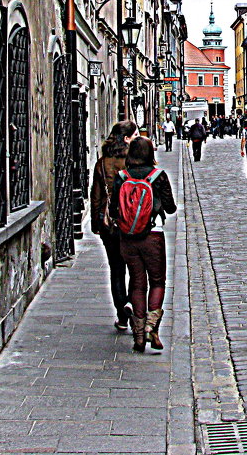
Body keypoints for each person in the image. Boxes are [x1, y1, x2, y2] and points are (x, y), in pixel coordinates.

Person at [109, 136, 176, 353]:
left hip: (127, 238)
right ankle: (150, 327)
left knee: (137, 283)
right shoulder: (158, 176)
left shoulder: (121, 177)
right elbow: (171, 207)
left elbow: (112, 210)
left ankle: (138, 335)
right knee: (157, 281)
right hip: (153, 235)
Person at [91, 121, 138, 332]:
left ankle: (122, 314)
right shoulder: (133, 161)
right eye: (135, 135)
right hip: (132, 222)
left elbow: (96, 195)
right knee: (135, 268)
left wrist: (96, 222)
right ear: (127, 138)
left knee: (116, 269)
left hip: (109, 222)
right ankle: (131, 305)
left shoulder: (102, 163)